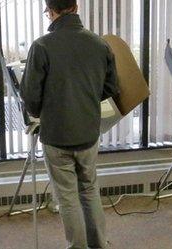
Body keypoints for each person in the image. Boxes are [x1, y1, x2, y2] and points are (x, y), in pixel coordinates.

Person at [20, 0, 119, 248]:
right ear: (76, 8)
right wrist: (84, 100)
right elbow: (111, 87)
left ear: (51, 11)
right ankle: (100, 245)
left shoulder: (42, 46)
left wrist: (39, 111)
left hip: (56, 135)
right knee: (89, 189)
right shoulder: (99, 44)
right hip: (88, 132)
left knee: (67, 197)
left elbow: (30, 95)